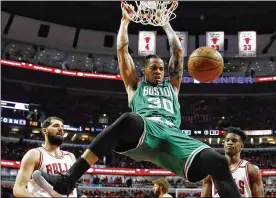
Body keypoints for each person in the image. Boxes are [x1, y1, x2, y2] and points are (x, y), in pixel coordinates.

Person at [32, 7, 242, 198]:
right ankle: (67, 181)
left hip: (175, 136)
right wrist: (125, 22)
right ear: (145, 71)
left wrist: (165, 23)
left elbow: (177, 53)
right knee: (130, 119)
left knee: (219, 162)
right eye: (154, 68)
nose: (159, 71)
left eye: (161, 68)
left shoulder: (173, 87)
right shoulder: (135, 86)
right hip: (146, 130)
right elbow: (123, 51)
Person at [13, 116, 86, 198]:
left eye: (62, 127)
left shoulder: (70, 156)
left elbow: (72, 187)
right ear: (45, 130)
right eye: (56, 126)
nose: (61, 129)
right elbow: (18, 189)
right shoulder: (35, 154)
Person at [201, 127, 264, 198]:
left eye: (234, 140)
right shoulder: (211, 170)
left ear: (241, 146)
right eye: (227, 140)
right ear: (224, 144)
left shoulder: (252, 170)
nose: (230, 143)